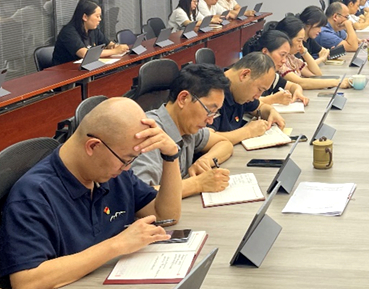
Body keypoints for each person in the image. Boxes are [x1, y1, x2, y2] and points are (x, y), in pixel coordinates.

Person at [0, 97, 183, 289]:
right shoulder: (33, 195)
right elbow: (27, 284)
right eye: (126, 159)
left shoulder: (111, 173)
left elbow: (166, 216)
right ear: (93, 146)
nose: (127, 168)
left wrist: (171, 155)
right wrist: (117, 245)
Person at [131, 64, 236, 197]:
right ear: (183, 99)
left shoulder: (187, 127)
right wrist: (197, 184)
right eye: (209, 110)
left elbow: (224, 143)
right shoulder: (150, 133)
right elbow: (140, 195)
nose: (210, 121)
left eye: (215, 113)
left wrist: (205, 160)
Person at [213, 53, 287, 142]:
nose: (257, 96)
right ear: (244, 75)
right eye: (259, 89)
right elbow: (206, 139)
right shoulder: (211, 92)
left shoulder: (240, 89)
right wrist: (248, 132)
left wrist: (271, 111)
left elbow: (259, 107)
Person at [273, 16, 351, 90]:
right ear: (287, 39)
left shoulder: (290, 57)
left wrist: (304, 51)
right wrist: (336, 82)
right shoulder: (280, 61)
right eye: (299, 40)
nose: (301, 45)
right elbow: (301, 83)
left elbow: (316, 74)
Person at [51, 0, 129, 66]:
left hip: (85, 68)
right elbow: (84, 54)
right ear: (85, 17)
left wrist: (115, 46)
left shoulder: (93, 29)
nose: (100, 19)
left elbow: (108, 44)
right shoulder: (68, 32)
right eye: (97, 16)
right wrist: (115, 51)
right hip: (66, 73)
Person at [241, 29, 309, 105]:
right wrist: (273, 99)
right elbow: (245, 102)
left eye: (286, 56)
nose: (284, 60)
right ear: (265, 52)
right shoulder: (247, 75)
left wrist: (297, 92)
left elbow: (294, 86)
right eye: (282, 55)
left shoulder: (272, 76)